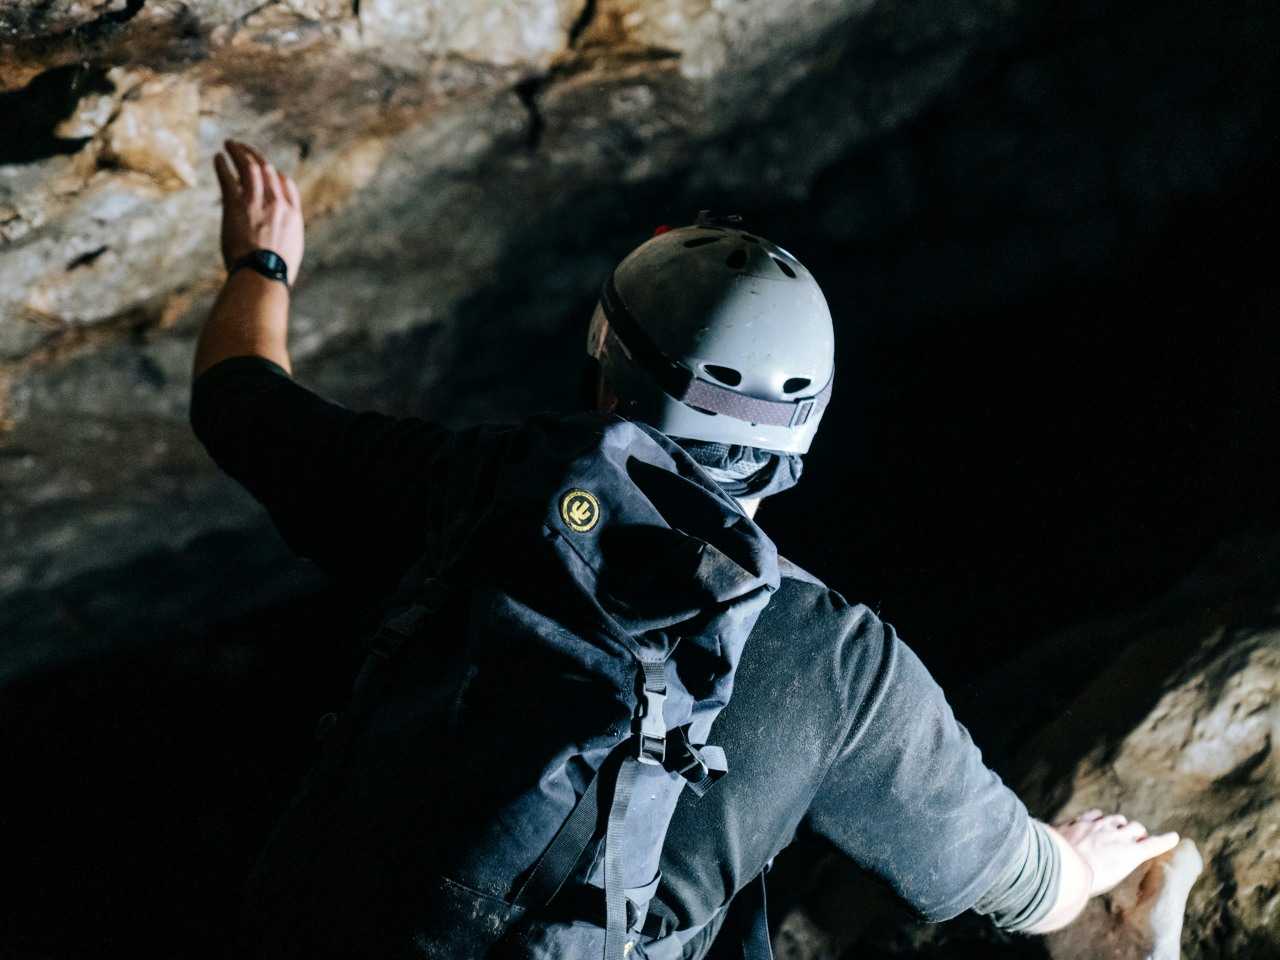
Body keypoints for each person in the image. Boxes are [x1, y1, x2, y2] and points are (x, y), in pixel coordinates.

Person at [193, 140, 1182, 957]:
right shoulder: (837, 665)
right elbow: (1015, 882)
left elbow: (239, 404)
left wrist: (261, 263)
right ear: (804, 430)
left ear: (609, 374)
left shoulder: (483, 483)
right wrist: (1080, 863)